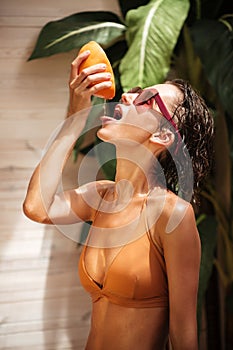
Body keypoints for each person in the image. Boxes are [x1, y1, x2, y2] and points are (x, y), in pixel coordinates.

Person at [23, 48, 214, 350]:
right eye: (133, 92)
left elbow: (183, 335)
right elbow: (36, 207)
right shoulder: (100, 196)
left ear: (163, 136)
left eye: (145, 99)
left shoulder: (171, 214)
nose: (126, 96)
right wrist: (75, 115)